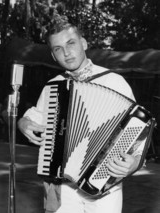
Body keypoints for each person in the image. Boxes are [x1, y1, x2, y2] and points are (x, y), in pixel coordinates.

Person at [18, 14, 143, 213]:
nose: (66, 53)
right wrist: (24, 123)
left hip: (104, 185)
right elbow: (33, 117)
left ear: (83, 43)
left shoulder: (115, 82)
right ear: (53, 55)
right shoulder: (53, 86)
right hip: (61, 185)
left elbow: (138, 137)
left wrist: (134, 164)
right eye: (58, 49)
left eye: (71, 43)